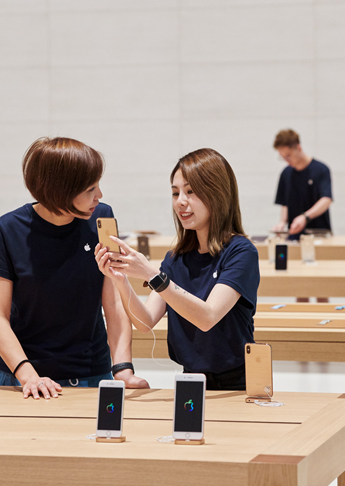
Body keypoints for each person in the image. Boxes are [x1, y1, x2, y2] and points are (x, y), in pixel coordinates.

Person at [0, 137, 148, 399]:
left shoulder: (101, 218)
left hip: (91, 373)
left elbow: (113, 303)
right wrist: (29, 375)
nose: (99, 195)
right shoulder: (7, 230)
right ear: (60, 190)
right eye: (90, 188)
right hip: (21, 379)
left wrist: (123, 368)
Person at [96, 148, 260, 391]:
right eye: (175, 193)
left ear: (217, 193)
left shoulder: (241, 252)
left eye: (191, 192)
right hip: (190, 379)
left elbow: (208, 317)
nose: (180, 201)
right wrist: (120, 280)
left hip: (238, 381)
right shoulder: (175, 258)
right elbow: (145, 321)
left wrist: (153, 276)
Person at [272, 129, 333, 239]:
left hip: (319, 234)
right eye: (283, 157)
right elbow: (285, 203)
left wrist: (305, 217)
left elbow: (326, 199)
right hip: (295, 235)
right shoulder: (286, 173)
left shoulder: (321, 170)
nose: (286, 160)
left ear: (298, 148)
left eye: (288, 155)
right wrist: (282, 222)